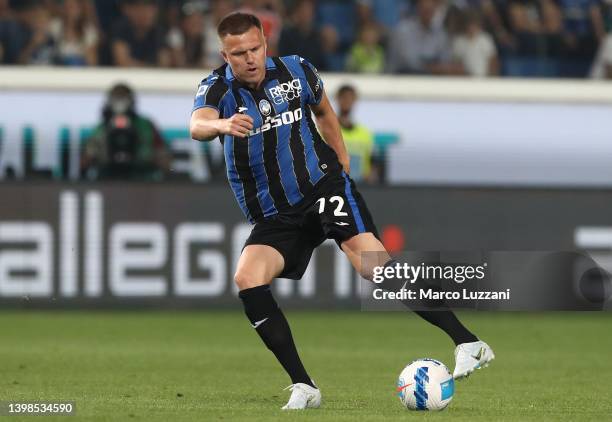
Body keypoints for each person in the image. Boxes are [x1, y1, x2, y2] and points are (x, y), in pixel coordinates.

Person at [189, 12, 494, 410]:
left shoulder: (297, 70)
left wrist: (343, 164)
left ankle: (468, 342)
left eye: (254, 49)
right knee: (248, 278)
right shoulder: (216, 89)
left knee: (374, 267)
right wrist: (223, 125)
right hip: (276, 215)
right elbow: (198, 123)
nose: (249, 59)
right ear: (224, 55)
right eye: (238, 53)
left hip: (321, 189)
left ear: (265, 43)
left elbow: (325, 112)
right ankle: (305, 386)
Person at [81, 83, 170, 181]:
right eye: (116, 99)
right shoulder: (101, 128)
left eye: (123, 99)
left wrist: (149, 157)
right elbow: (86, 160)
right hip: (107, 180)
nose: (120, 104)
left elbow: (165, 159)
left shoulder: (145, 126)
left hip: (142, 179)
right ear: (110, 101)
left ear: (131, 101)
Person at [335, 84, 377, 182]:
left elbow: (372, 165)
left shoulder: (365, 134)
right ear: (338, 99)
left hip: (360, 188)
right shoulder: (326, 132)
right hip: (336, 188)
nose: (347, 101)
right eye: (344, 97)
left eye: (351, 98)